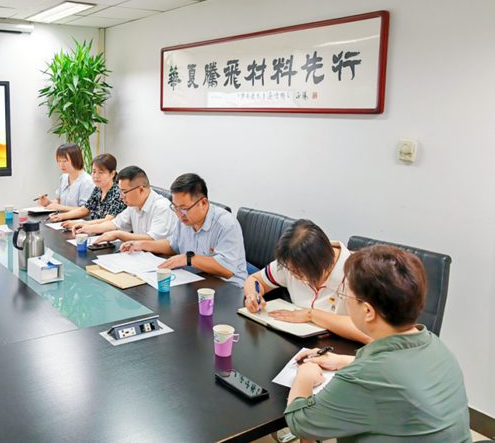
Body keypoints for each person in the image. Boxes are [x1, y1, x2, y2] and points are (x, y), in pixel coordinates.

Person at [284, 245, 471, 443]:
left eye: (346, 295)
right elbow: (402, 374)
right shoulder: (436, 346)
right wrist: (343, 361)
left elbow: (300, 423)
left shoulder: (364, 377)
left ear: (368, 311)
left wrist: (305, 375)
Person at [242, 220, 371, 343]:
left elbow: (370, 333)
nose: (291, 274)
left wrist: (311, 315)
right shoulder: (292, 260)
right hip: (297, 341)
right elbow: (255, 279)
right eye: (289, 269)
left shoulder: (360, 274)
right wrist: (253, 295)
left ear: (321, 264)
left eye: (297, 272)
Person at [123, 174, 247, 287]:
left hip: (228, 289)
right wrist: (143, 244)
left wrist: (189, 259)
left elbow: (227, 269)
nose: (179, 214)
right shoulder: (185, 219)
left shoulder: (226, 224)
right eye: (175, 207)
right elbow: (173, 245)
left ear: (203, 203)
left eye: (183, 209)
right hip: (194, 281)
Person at [75, 166, 176, 244]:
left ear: (141, 190)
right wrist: (88, 227)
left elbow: (153, 239)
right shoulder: (134, 205)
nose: (121, 196)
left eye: (124, 192)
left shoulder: (162, 207)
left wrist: (119, 234)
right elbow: (115, 224)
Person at [49, 153, 126, 226]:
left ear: (112, 174)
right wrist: (61, 216)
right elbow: (84, 210)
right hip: (93, 230)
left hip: (109, 233)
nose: (96, 176)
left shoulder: (118, 193)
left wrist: (81, 224)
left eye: (100, 172)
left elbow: (108, 220)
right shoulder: (98, 190)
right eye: (94, 172)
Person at [38, 143, 95, 212]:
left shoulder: (87, 181)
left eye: (65, 161)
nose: (61, 164)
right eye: (59, 161)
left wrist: (60, 207)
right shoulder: (63, 178)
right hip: (62, 217)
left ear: (75, 159)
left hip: (79, 219)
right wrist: (48, 202)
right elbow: (59, 200)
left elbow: (86, 210)